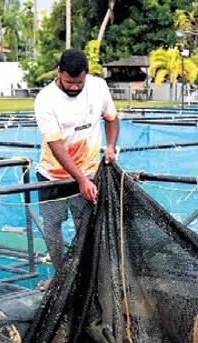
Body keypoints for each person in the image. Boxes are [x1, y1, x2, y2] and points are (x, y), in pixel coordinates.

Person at [33, 48, 120, 289]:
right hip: (53, 174)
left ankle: (86, 276)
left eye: (79, 82)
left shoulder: (98, 87)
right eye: (69, 82)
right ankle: (60, 276)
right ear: (59, 73)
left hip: (90, 171)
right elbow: (56, 145)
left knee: (87, 225)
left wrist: (110, 146)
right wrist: (80, 179)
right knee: (52, 227)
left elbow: (111, 118)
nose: (74, 87)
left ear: (86, 75)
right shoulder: (45, 99)